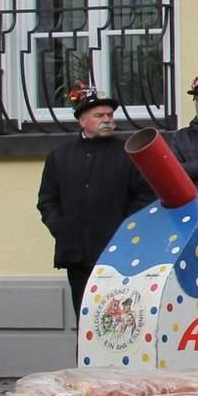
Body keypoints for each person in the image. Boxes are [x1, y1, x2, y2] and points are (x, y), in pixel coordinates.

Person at [37, 85, 152, 317]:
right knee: (85, 316)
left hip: (118, 255)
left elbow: (145, 196)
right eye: (99, 115)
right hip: (76, 254)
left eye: (109, 115)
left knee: (117, 318)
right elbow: (47, 200)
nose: (107, 120)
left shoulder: (128, 153)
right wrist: (61, 227)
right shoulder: (60, 156)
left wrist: (125, 229)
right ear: (82, 120)